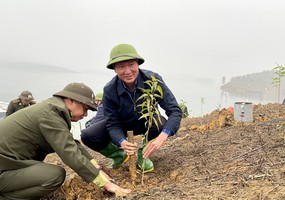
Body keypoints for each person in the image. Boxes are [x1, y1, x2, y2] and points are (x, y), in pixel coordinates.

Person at [0, 82, 130, 199]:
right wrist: (105, 183)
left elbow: (71, 144)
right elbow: (69, 153)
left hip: (9, 165)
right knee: (54, 176)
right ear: (71, 101)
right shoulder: (50, 115)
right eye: (85, 108)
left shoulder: (51, 110)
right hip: (4, 169)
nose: (85, 114)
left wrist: (97, 168)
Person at [81, 44, 182, 173]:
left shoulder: (153, 80)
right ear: (114, 69)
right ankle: (119, 155)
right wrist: (122, 142)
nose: (128, 71)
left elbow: (175, 111)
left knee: (162, 124)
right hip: (122, 125)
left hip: (147, 122)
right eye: (121, 66)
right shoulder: (110, 89)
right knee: (89, 135)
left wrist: (162, 137)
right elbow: (112, 123)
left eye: (131, 65)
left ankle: (143, 154)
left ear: (137, 64)